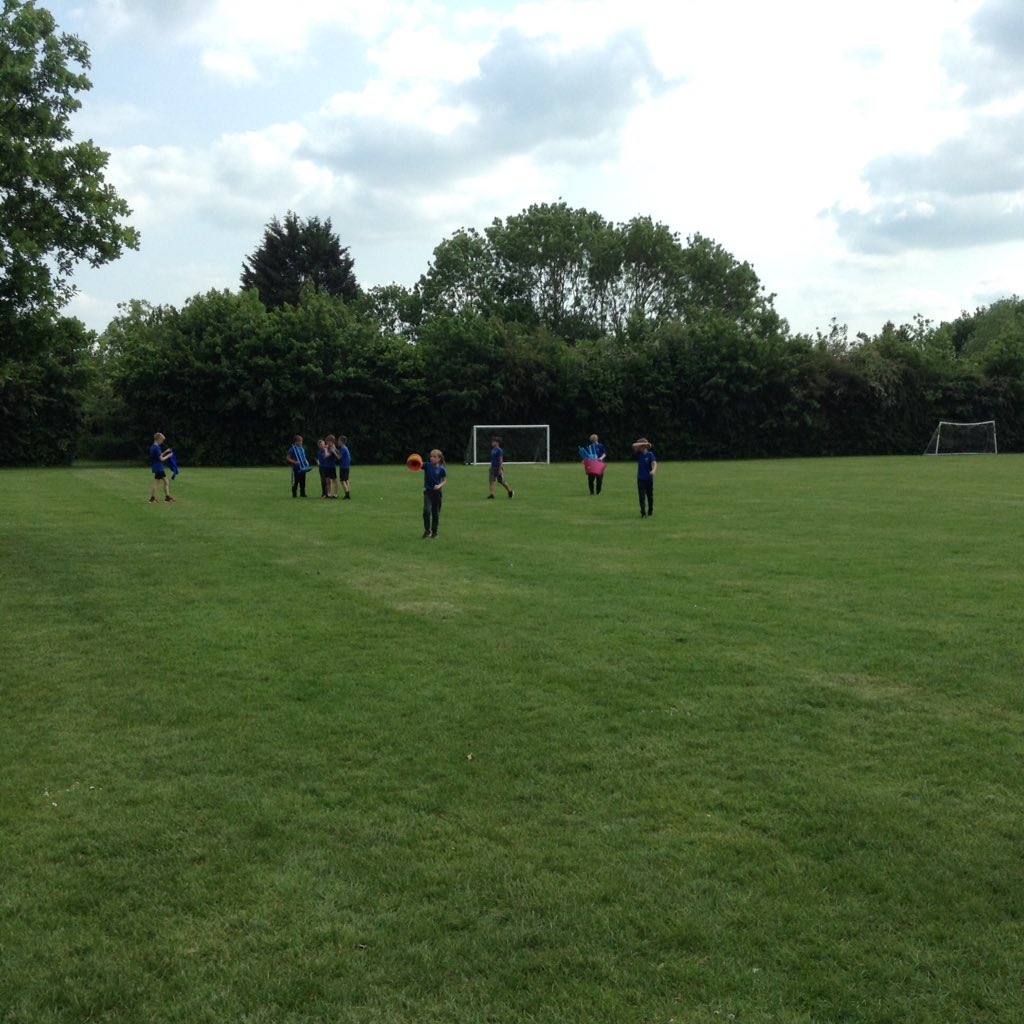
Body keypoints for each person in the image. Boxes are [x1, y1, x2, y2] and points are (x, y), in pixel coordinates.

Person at [420, 448, 448, 538]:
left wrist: (440, 485)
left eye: (434, 457)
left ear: (439, 458)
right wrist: (413, 460)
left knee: (435, 513)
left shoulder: (441, 469)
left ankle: (435, 532)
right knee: (426, 511)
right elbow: (417, 464)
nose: (432, 458)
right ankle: (427, 531)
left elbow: (444, 481)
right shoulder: (427, 466)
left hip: (437, 494)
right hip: (428, 493)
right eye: (431, 456)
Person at [148, 432, 176, 504]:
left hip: (156, 467)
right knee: (165, 481)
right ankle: (166, 498)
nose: (162, 442)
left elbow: (159, 456)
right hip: (159, 467)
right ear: (158, 439)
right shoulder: (156, 448)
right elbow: (161, 459)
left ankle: (153, 498)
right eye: (162, 440)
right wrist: (169, 455)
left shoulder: (153, 447)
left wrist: (165, 452)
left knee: (157, 482)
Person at [632, 437, 657, 518]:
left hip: (649, 479)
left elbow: (654, 463)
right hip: (640, 479)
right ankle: (643, 513)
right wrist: (644, 444)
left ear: (644, 447)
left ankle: (650, 511)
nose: (638, 448)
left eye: (640, 446)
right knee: (642, 497)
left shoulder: (650, 454)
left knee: (650, 496)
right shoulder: (639, 454)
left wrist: (653, 470)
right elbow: (633, 445)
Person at [323, 434, 340, 499]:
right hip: (327, 466)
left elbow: (326, 456)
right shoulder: (329, 447)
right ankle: (328, 494)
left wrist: (325, 449)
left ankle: (336, 494)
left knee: (334, 480)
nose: (327, 443)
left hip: (331, 466)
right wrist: (326, 448)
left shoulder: (332, 448)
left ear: (332, 441)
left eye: (328, 442)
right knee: (327, 480)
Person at [338, 434, 352, 499]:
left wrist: (333, 451)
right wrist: (335, 449)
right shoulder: (345, 448)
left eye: (339, 440)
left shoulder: (343, 448)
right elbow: (340, 453)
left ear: (341, 441)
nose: (338, 442)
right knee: (346, 480)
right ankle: (348, 492)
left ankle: (347, 495)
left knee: (342, 480)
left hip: (343, 466)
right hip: (347, 466)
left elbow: (339, 457)